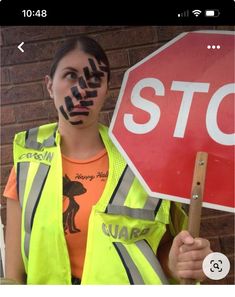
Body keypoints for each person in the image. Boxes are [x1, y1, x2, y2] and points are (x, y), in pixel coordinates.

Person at [3, 35, 211, 285]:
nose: (81, 89)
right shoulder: (28, 165)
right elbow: (14, 277)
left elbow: (161, 248)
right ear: (49, 85)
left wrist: (178, 261)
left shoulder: (141, 162)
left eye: (94, 79)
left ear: (107, 89)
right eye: (70, 75)